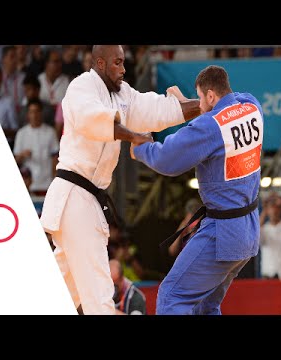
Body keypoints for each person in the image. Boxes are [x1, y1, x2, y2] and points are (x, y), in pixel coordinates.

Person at [40, 45, 201, 315]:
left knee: (67, 290)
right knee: (99, 293)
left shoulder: (123, 94)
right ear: (100, 63)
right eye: (117, 63)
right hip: (74, 196)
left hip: (87, 200)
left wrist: (206, 106)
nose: (123, 69)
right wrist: (132, 136)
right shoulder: (82, 88)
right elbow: (92, 121)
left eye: (124, 62)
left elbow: (158, 110)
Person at [131, 65, 264, 315]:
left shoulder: (209, 128)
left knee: (172, 296)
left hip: (222, 233)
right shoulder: (251, 106)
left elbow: (167, 160)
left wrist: (141, 149)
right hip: (248, 231)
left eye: (201, 99)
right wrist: (189, 103)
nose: (199, 105)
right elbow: (221, 111)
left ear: (210, 95)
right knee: (206, 306)